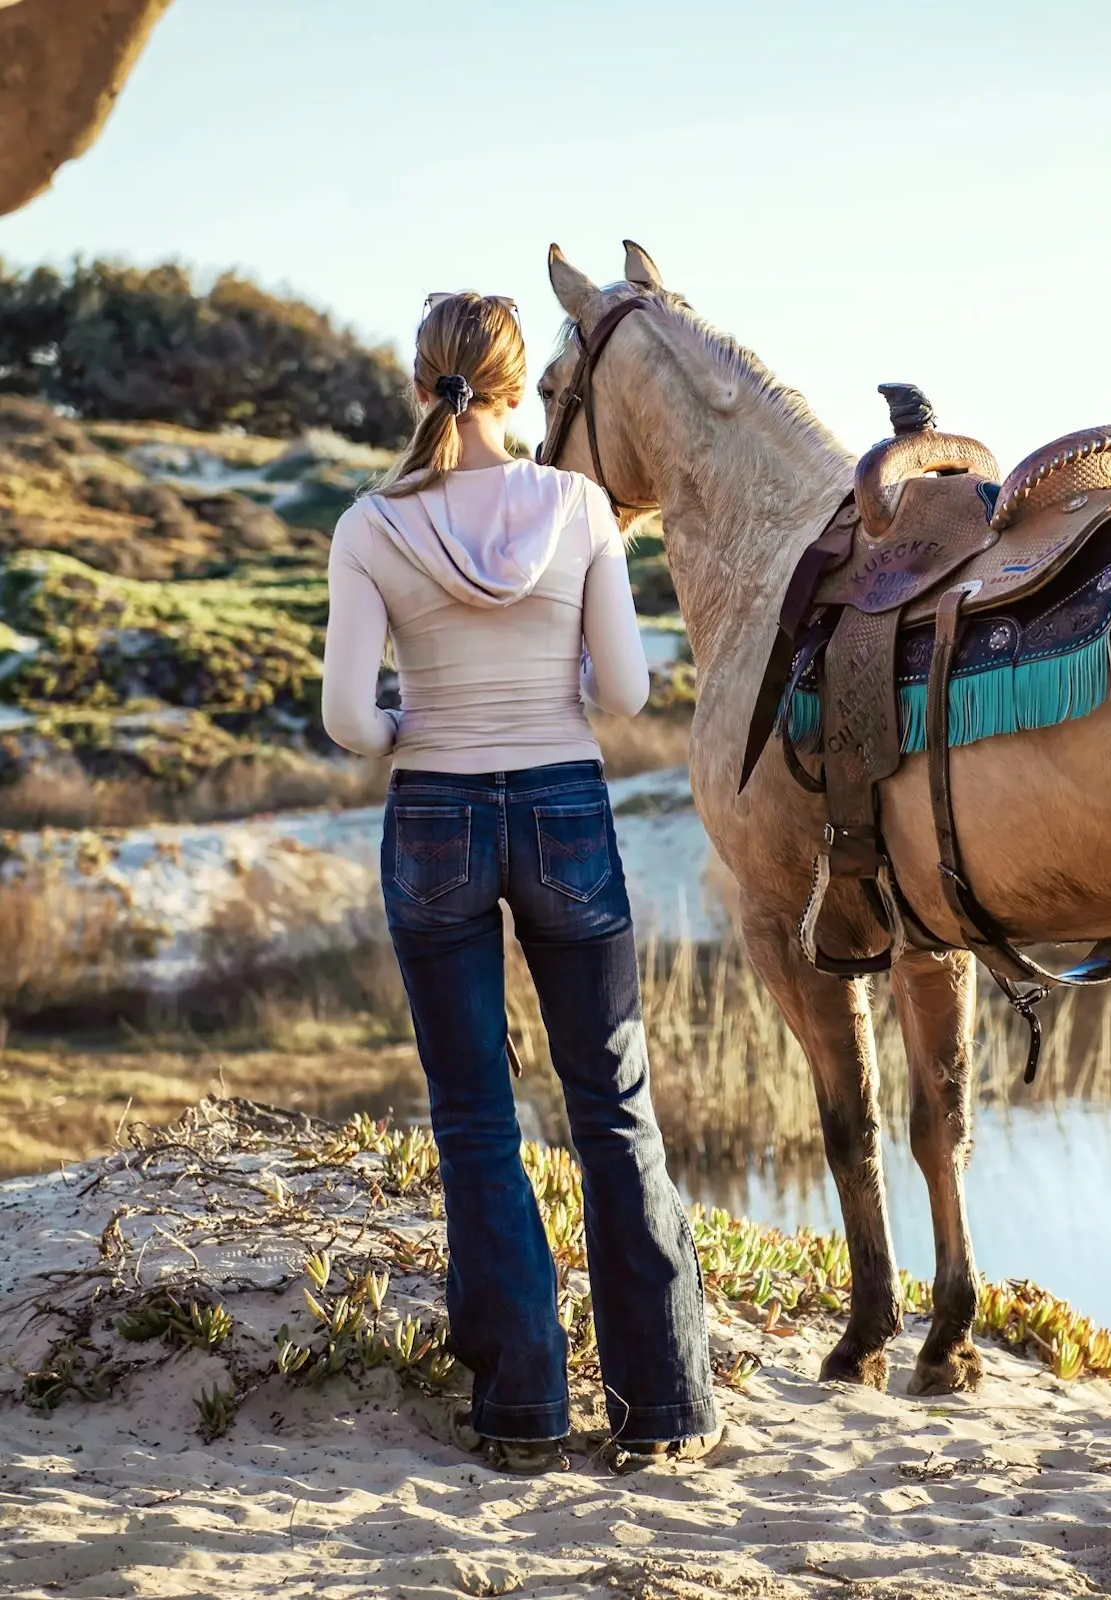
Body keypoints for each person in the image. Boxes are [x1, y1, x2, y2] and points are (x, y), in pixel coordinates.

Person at [320, 291, 717, 1473]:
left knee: (475, 1120)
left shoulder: (368, 524)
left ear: (419, 382)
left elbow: (349, 720)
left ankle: (523, 1410)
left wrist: (415, 725)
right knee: (614, 1106)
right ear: (511, 386)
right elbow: (627, 696)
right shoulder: (582, 506)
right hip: (565, 809)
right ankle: (666, 1409)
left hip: (436, 812)